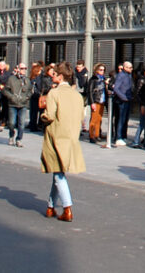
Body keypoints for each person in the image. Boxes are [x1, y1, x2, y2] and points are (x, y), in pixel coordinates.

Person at [40, 61, 85, 222]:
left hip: (57, 135)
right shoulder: (77, 95)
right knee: (58, 171)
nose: (52, 76)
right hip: (72, 136)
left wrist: (42, 115)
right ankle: (51, 207)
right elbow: (81, 117)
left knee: (58, 173)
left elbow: (50, 115)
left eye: (54, 74)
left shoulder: (54, 93)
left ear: (60, 76)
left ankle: (67, 208)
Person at [4, 61, 31, 147]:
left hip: (23, 104)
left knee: (21, 123)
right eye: (22, 68)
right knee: (12, 123)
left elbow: (30, 90)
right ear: (18, 69)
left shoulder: (27, 80)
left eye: (25, 68)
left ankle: (19, 139)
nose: (24, 70)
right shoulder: (11, 79)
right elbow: (5, 90)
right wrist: (11, 97)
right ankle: (11, 135)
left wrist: (27, 97)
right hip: (13, 104)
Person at [111, 61, 133, 146]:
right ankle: (118, 137)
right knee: (121, 119)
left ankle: (123, 136)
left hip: (127, 100)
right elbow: (116, 88)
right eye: (130, 67)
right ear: (125, 67)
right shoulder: (121, 75)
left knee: (125, 119)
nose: (131, 69)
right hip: (122, 101)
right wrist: (123, 97)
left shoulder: (128, 75)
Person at [87, 63, 108, 143]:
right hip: (96, 100)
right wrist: (92, 102)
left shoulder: (103, 79)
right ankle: (91, 136)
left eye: (103, 70)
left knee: (99, 119)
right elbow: (90, 91)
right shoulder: (93, 79)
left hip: (102, 100)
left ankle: (97, 134)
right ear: (96, 70)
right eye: (100, 70)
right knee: (94, 119)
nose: (102, 71)